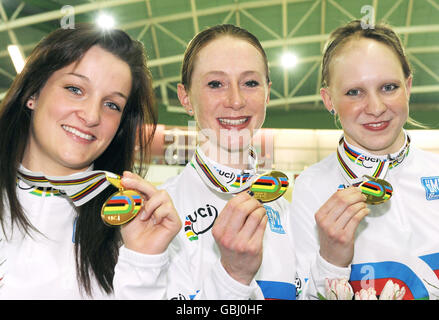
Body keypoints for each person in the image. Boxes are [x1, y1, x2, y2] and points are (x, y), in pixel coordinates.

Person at [114, 24, 300, 300]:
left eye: (250, 83)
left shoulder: (290, 211)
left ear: (267, 93)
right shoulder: (160, 215)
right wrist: (232, 278)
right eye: (215, 84)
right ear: (185, 98)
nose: (235, 101)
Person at [0, 23, 181, 299]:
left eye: (112, 105)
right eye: (75, 89)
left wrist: (144, 262)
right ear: (32, 94)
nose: (92, 115)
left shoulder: (131, 225)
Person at [290, 20, 439, 300]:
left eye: (389, 87)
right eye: (354, 92)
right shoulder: (311, 187)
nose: (375, 108)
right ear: (329, 99)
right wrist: (331, 260)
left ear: (408, 86)